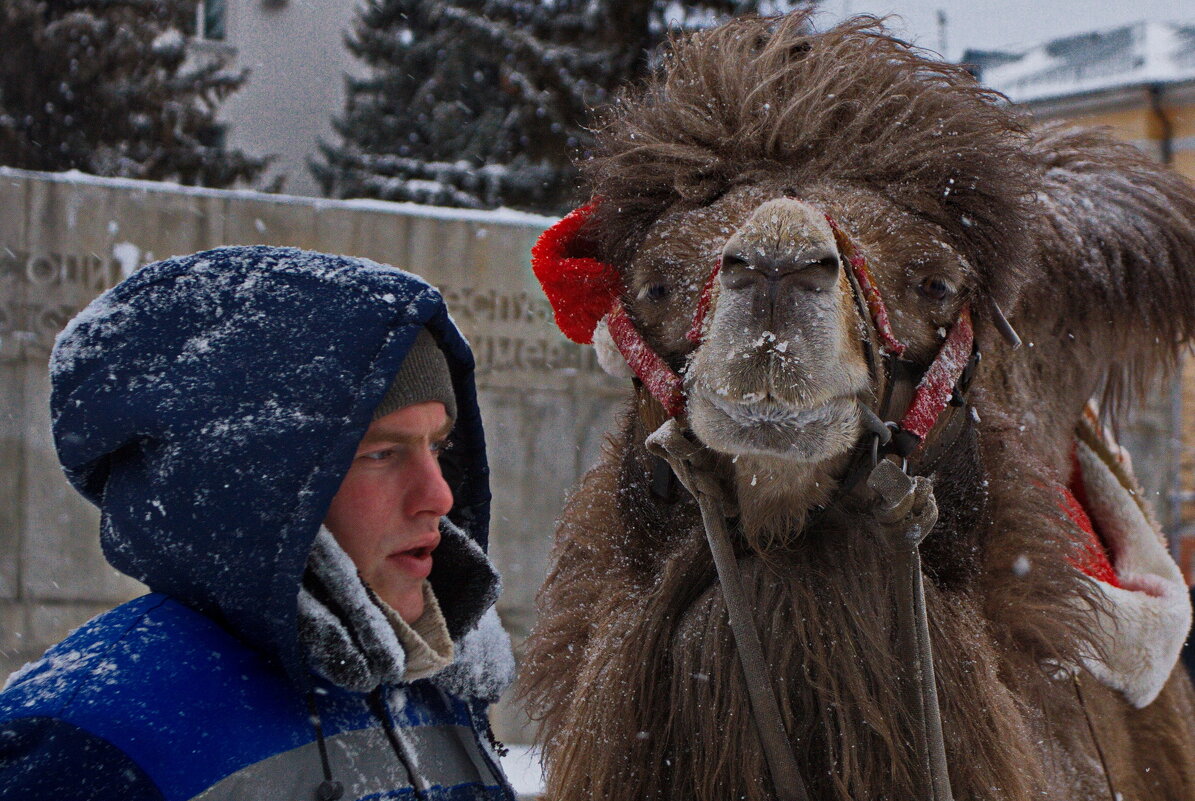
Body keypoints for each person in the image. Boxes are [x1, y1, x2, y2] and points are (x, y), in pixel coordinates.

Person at [0, 246, 517, 800]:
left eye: (437, 447)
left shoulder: (434, 681)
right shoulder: (89, 737)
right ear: (253, 479)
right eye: (380, 453)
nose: (437, 496)